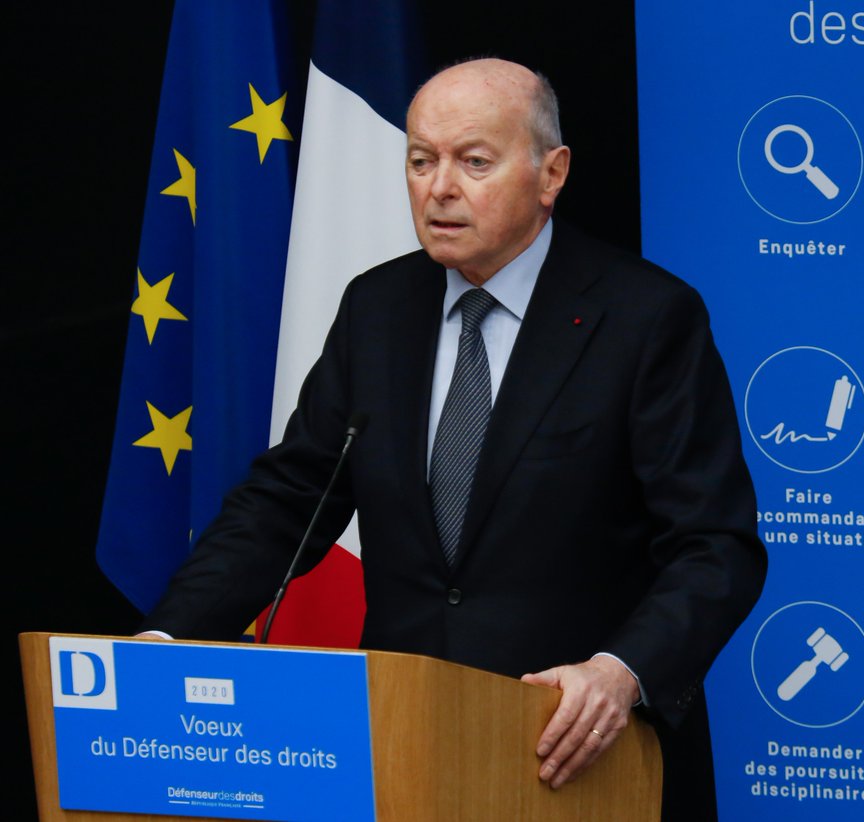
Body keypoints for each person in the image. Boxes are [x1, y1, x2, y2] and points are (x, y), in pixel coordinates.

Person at [140, 58, 766, 820]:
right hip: (408, 747)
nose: (439, 187)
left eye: (473, 161)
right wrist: (170, 637)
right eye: (420, 160)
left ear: (551, 173)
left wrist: (620, 672)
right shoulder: (377, 309)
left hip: (576, 754)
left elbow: (715, 546)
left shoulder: (645, 319)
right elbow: (285, 500)